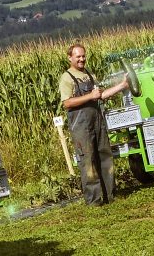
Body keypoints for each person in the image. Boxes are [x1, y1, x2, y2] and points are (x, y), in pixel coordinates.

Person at [59, 43, 128, 206]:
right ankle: (94, 201)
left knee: (105, 156)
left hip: (97, 121)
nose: (82, 59)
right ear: (70, 58)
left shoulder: (89, 74)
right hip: (81, 126)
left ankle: (109, 195)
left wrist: (122, 85)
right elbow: (67, 103)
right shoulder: (67, 78)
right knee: (88, 161)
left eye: (83, 56)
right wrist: (90, 96)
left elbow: (101, 95)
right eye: (78, 57)